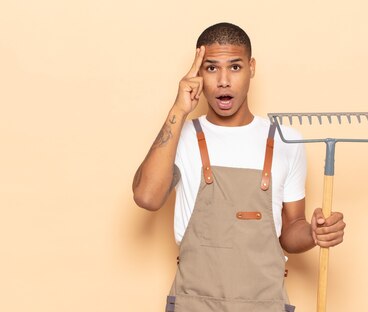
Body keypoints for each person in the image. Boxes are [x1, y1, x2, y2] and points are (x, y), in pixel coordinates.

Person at [133, 22, 346, 312]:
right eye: (211, 68)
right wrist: (178, 110)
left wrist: (313, 233)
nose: (223, 81)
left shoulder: (286, 140)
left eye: (234, 67)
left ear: (251, 68)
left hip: (265, 304)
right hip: (194, 303)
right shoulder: (181, 137)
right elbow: (146, 197)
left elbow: (290, 229)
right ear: (197, 74)